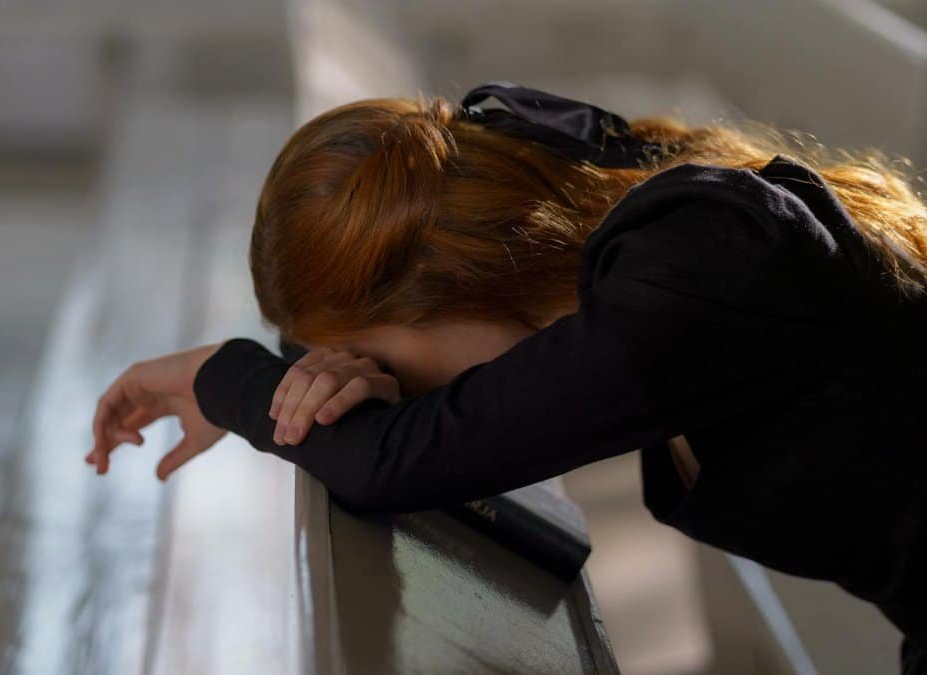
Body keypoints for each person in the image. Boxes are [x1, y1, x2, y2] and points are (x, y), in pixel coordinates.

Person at [85, 82, 927, 671]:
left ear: (443, 289)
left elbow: (400, 462)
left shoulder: (694, 270)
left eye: (379, 358)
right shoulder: (666, 252)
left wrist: (220, 378)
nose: (385, 386)